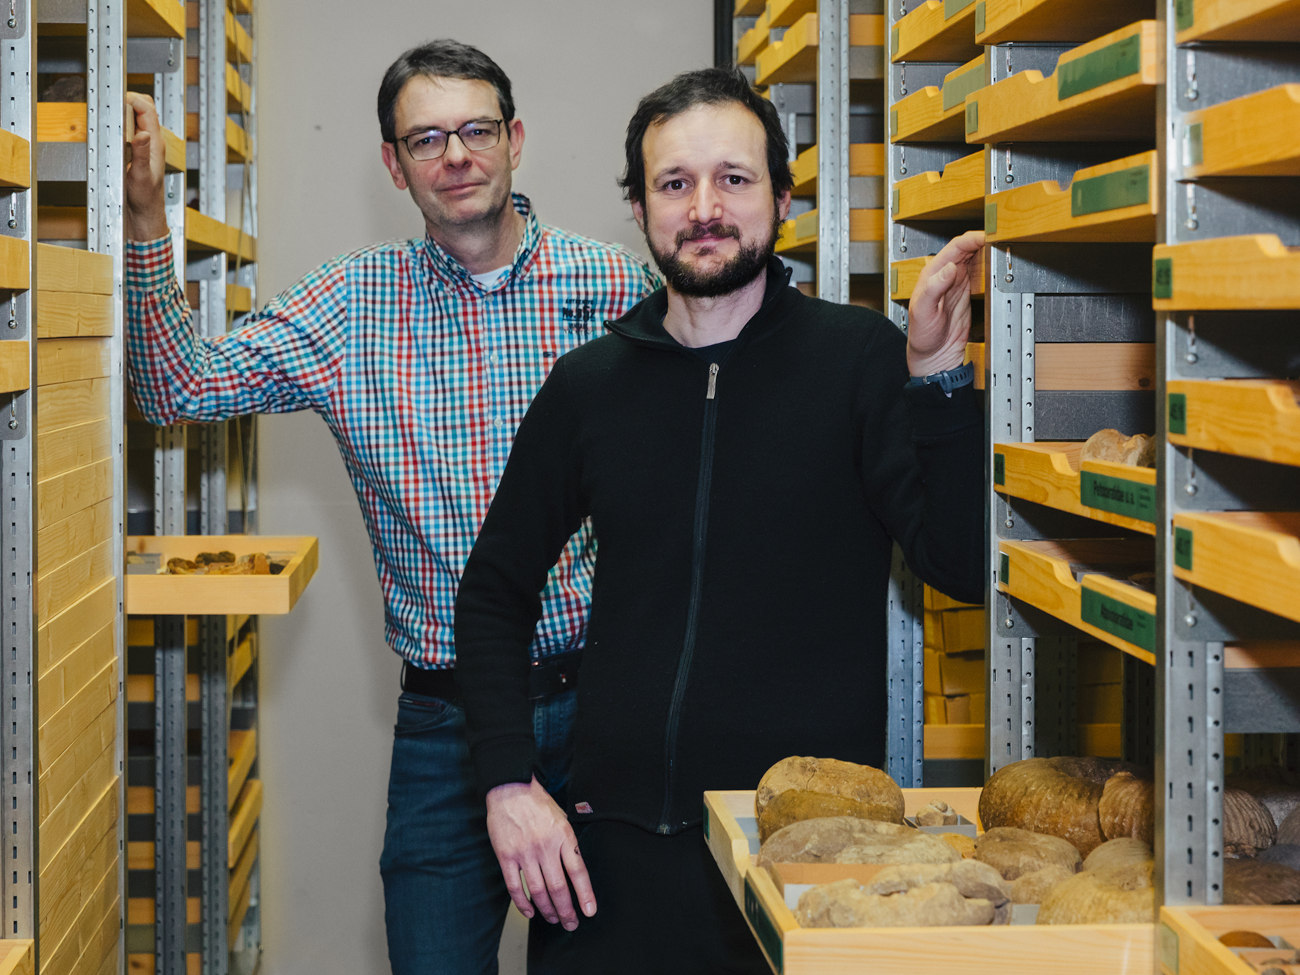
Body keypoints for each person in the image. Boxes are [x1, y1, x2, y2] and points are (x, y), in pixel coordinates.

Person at [122, 39, 658, 975]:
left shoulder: (614, 285)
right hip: (448, 726)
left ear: (515, 138)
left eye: (475, 129)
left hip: (611, 704)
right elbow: (176, 386)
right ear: (392, 162)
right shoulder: (349, 306)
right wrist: (143, 222)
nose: (455, 155)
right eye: (425, 139)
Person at [454, 66, 986, 973]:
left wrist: (936, 379)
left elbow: (963, 565)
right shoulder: (591, 385)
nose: (705, 207)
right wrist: (509, 781)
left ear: (781, 198)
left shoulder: (855, 360)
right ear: (638, 205)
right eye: (675, 183)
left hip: (806, 861)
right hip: (608, 867)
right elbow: (493, 590)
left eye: (733, 179)